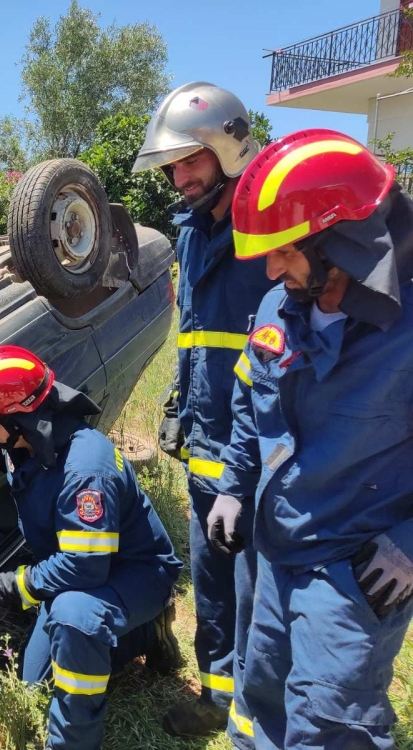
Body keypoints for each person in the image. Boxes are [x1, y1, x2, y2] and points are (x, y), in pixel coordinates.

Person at [208, 128, 413, 749]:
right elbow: (252, 407)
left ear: (341, 242)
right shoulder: (276, 310)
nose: (272, 270)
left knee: (328, 725)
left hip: (356, 567)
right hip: (277, 550)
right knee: (260, 697)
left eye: (287, 252)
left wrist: (408, 542)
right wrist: (234, 489)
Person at [132, 81, 273, 741]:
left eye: (191, 159)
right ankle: (216, 696)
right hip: (206, 448)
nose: (180, 176)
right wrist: (177, 407)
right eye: (172, 165)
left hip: (263, 454)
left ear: (228, 149)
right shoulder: (188, 234)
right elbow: (195, 336)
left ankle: (257, 711)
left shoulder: (271, 225)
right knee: (212, 586)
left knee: (258, 594)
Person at [0, 345, 183, 750]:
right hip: (89, 565)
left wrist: (9, 586)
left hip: (136, 574)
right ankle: (139, 636)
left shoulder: (85, 469)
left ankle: (73, 742)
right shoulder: (25, 445)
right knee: (36, 681)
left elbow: (83, 567)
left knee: (73, 619)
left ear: (22, 419)